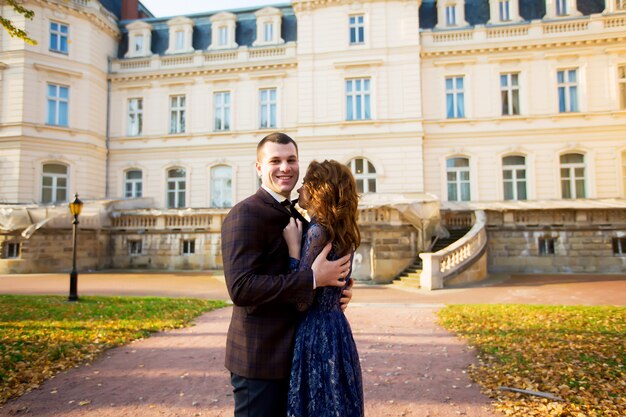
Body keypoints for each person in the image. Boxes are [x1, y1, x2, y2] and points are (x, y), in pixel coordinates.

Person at [221, 132, 353, 417]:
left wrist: (339, 288)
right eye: (275, 160)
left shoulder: (299, 215)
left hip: (300, 355)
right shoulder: (245, 214)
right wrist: (313, 280)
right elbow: (241, 288)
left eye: (291, 160)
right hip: (261, 359)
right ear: (259, 168)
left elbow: (317, 261)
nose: (285, 167)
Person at [282, 160, 364, 417]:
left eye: (305, 184)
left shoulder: (318, 231)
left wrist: (294, 252)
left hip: (316, 333)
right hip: (337, 328)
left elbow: (301, 301)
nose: (299, 190)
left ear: (319, 190)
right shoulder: (343, 231)